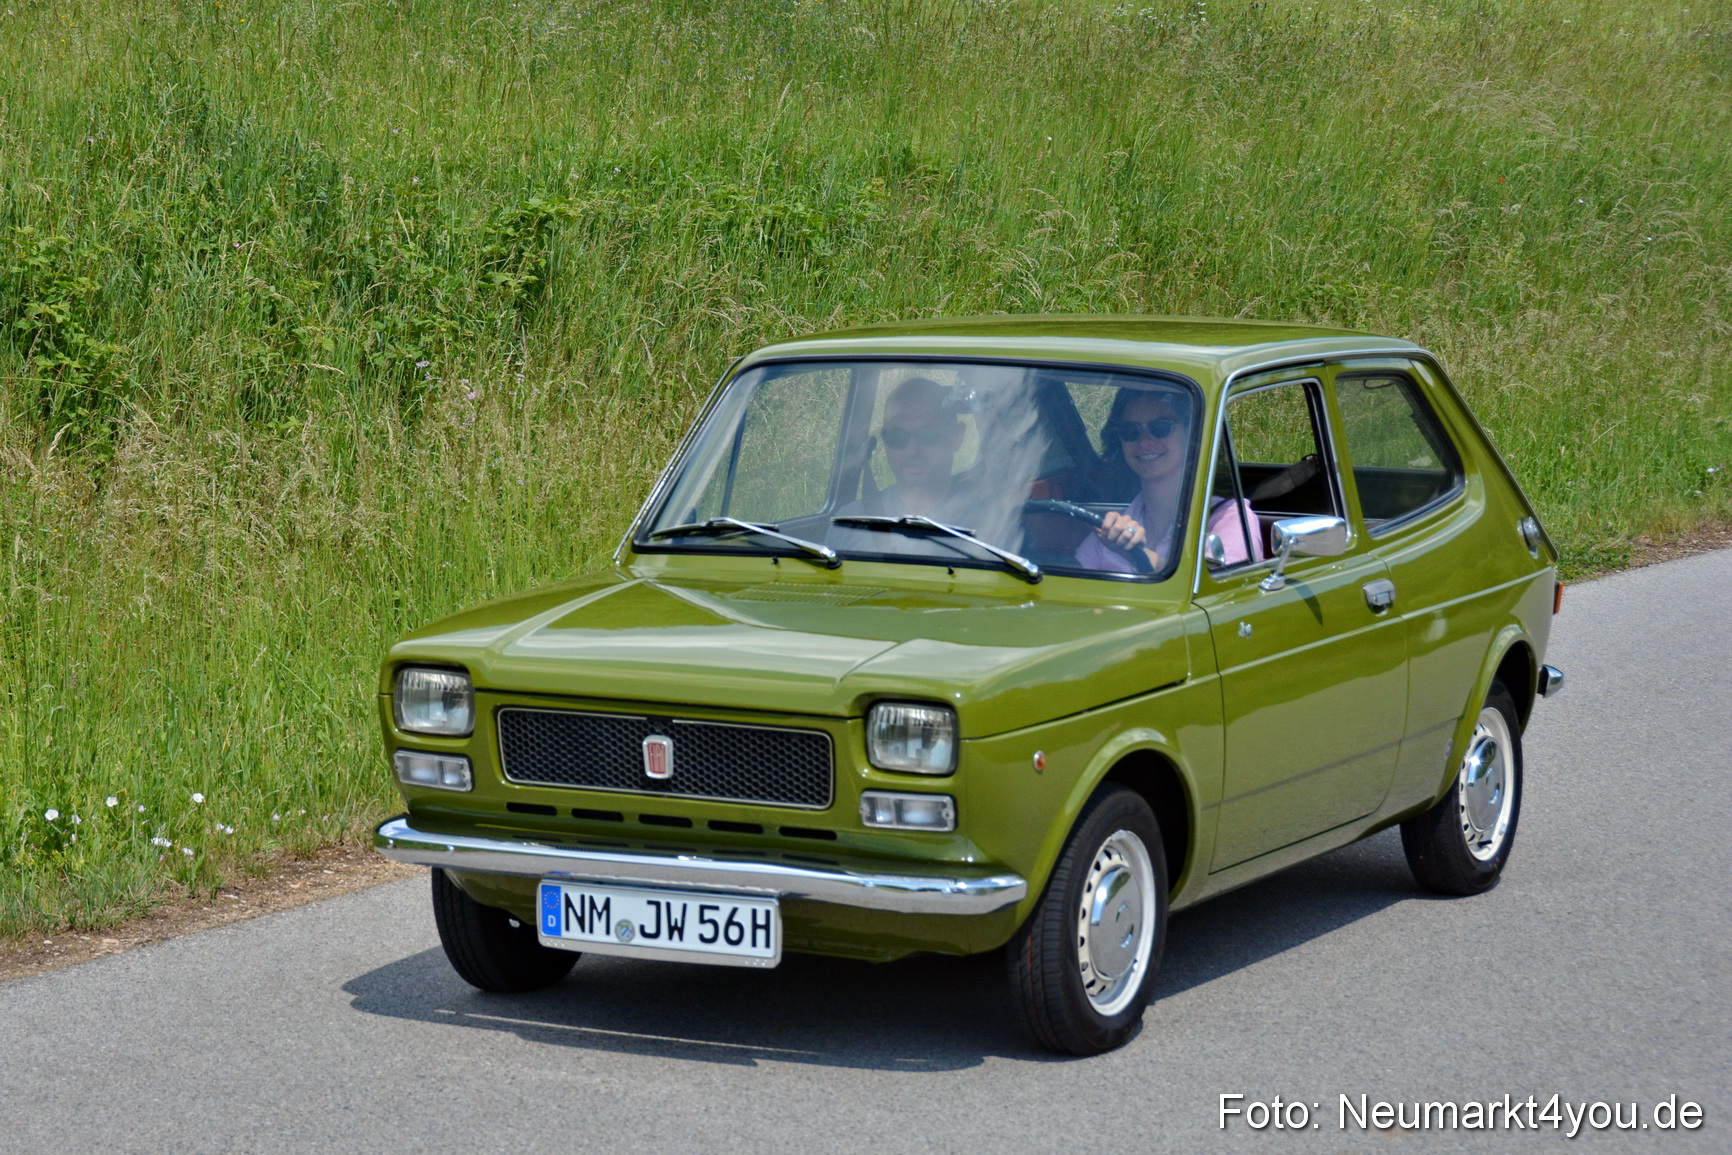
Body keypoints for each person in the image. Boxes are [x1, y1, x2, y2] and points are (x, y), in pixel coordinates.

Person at [1075, 387, 1263, 574]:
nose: (1145, 442)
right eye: (1130, 431)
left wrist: (1134, 553)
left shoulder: (1230, 519)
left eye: (1160, 427)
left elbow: (1212, 589)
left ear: (1192, 432)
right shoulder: (1114, 528)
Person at [841, 377, 974, 521]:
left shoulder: (986, 521)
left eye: (927, 435)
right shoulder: (849, 520)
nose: (912, 450)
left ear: (956, 436)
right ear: (884, 439)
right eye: (897, 437)